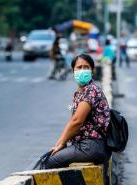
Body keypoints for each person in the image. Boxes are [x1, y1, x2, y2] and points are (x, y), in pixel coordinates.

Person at [44, 54, 112, 183]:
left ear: (92, 71)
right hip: (87, 146)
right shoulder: (80, 93)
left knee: (50, 161)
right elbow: (73, 121)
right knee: (54, 156)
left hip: (92, 145)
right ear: (73, 71)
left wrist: (62, 143)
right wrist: (60, 143)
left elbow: (77, 121)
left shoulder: (91, 91)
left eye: (86, 67)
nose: (82, 70)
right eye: (79, 67)